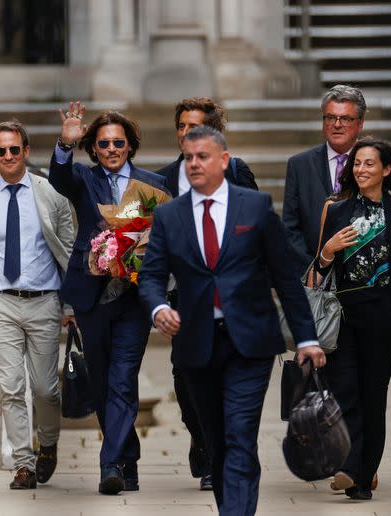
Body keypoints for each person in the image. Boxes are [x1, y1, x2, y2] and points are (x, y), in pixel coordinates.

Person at [138, 126, 326, 515]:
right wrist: (158, 308)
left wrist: (306, 338)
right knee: (218, 442)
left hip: (250, 342)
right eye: (188, 157)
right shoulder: (170, 216)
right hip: (196, 344)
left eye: (203, 156)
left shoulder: (254, 207)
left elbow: (285, 279)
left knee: (240, 435)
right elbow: (152, 275)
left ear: (224, 160)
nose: (194, 164)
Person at [48, 101, 168, 495]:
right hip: (91, 294)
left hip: (133, 297)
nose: (112, 149)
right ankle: (127, 461)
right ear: (94, 148)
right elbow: (58, 179)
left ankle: (110, 464)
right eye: (104, 144)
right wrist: (65, 144)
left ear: (130, 146)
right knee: (101, 381)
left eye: (119, 142)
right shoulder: (84, 178)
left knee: (122, 379)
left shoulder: (152, 186)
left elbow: (165, 239)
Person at [154, 96, 258, 491]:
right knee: (187, 382)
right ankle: (201, 435)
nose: (186, 133)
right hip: (184, 297)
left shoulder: (238, 172)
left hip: (230, 297)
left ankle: (220, 460)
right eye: (181, 126)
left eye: (195, 126)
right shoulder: (161, 180)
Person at [0, 120, 74, 489]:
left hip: (44, 302)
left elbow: (70, 253)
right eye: (1, 150)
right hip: (2, 305)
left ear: (26, 151)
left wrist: (71, 307)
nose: (8, 156)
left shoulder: (51, 195)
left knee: (45, 389)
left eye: (15, 149)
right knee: (11, 388)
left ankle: (49, 444)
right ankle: (23, 464)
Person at [315, 136, 391, 501]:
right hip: (343, 314)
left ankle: (363, 475)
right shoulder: (337, 209)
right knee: (346, 393)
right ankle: (348, 466)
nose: (361, 169)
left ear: (386, 170)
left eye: (369, 163)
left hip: (382, 315)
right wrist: (327, 252)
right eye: (356, 163)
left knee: (374, 396)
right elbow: (316, 272)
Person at [283, 84, 366, 275]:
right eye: (330, 117)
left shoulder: (375, 163)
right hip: (313, 276)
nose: (337, 124)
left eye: (345, 118)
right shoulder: (299, 165)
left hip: (363, 280)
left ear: (360, 123)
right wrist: (315, 268)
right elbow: (290, 228)